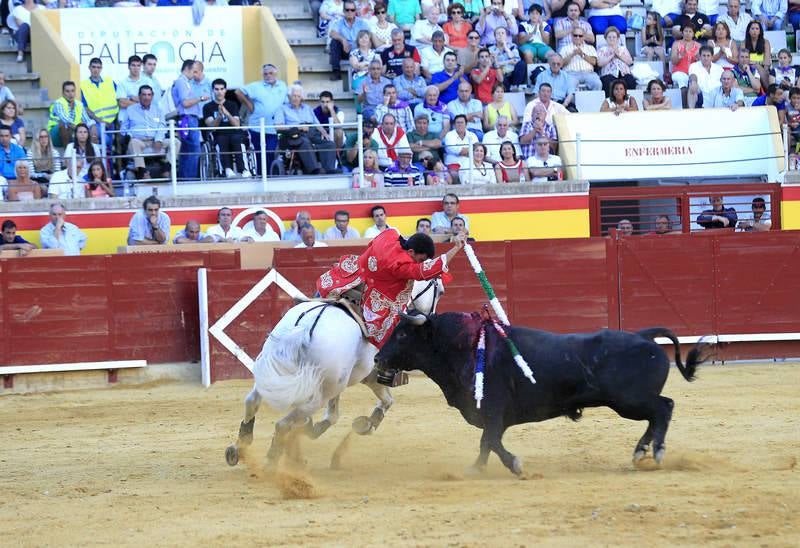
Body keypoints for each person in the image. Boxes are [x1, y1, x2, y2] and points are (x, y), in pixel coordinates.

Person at [316, 226, 467, 348]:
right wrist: (456, 248)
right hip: (375, 292)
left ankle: (314, 300)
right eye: (419, 259)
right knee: (390, 332)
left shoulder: (390, 233)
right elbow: (423, 272)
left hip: (352, 272)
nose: (419, 263)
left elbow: (374, 243)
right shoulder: (400, 266)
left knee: (327, 284)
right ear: (410, 251)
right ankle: (387, 370)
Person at [236, 64, 287, 176]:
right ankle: (260, 177)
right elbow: (238, 92)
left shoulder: (282, 86)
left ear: (276, 73)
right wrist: (249, 105)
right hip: (257, 127)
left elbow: (286, 103)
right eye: (265, 74)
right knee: (259, 154)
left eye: (270, 73)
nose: (268, 76)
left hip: (274, 127)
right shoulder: (256, 86)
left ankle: (268, 176)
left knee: (270, 152)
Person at [274, 83, 337, 175]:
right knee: (305, 142)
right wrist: (299, 127)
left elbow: (316, 123)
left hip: (311, 133)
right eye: (294, 96)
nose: (296, 98)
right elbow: (278, 127)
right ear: (289, 96)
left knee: (329, 144)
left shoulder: (307, 108)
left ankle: (329, 169)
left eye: (298, 96)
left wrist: (324, 132)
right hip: (294, 135)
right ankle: (314, 170)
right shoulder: (282, 109)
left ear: (302, 98)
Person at [122, 85, 174, 180]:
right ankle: (143, 172)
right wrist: (130, 134)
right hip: (139, 141)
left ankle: (166, 168)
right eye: (144, 95)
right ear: (139, 96)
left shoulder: (158, 110)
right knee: (133, 142)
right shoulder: (131, 109)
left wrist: (158, 140)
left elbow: (162, 126)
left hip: (155, 140)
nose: (146, 97)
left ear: (152, 96)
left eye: (149, 95)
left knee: (175, 142)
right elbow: (124, 129)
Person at [203, 78, 248, 179]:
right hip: (218, 134)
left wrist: (226, 113)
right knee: (222, 140)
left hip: (234, 133)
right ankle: (227, 168)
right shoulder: (207, 107)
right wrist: (219, 116)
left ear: (225, 90)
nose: (219, 92)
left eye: (221, 89)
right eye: (216, 89)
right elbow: (211, 127)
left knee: (236, 139)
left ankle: (243, 169)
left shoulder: (232, 105)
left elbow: (237, 124)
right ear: (213, 90)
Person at [173, 59, 209, 180]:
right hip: (188, 118)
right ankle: (190, 179)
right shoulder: (181, 82)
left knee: (187, 149)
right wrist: (201, 98)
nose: (195, 75)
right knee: (194, 149)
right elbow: (185, 103)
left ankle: (185, 178)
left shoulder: (185, 82)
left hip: (189, 118)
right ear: (187, 69)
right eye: (193, 71)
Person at [330, 0, 372, 81]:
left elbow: (369, 36)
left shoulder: (361, 23)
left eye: (352, 10)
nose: (350, 12)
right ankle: (336, 71)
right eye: (347, 10)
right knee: (334, 42)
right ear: (343, 11)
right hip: (346, 50)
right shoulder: (339, 22)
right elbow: (332, 33)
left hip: (359, 51)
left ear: (355, 11)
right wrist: (343, 40)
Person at [48, 81, 94, 148]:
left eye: (72, 91)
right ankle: (68, 154)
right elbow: (65, 120)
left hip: (73, 131)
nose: (70, 94)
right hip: (55, 135)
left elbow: (87, 120)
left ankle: (90, 155)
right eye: (67, 91)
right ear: (63, 93)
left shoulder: (79, 104)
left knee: (91, 130)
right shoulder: (58, 103)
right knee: (64, 125)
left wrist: (93, 126)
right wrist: (79, 130)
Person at [560, 24, 602, 91]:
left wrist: (582, 55)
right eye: (575, 35)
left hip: (588, 73)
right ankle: (573, 102)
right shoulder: (565, 48)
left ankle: (594, 101)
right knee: (569, 86)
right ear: (571, 36)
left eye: (580, 36)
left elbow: (594, 62)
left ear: (584, 37)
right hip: (571, 74)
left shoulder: (590, 48)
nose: (578, 37)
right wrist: (572, 54)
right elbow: (561, 64)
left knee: (597, 83)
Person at [116, 55, 154, 127]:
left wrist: (131, 99)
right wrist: (141, 100)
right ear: (128, 66)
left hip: (144, 118)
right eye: (133, 65)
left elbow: (150, 100)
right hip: (125, 119)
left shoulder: (148, 81)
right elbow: (122, 103)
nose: (136, 68)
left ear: (141, 67)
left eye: (138, 66)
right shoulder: (122, 83)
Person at [80, 57, 119, 128]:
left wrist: (117, 119)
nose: (96, 70)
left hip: (114, 122)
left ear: (101, 68)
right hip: (96, 123)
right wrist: (100, 121)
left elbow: (119, 98)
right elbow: (85, 108)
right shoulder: (83, 85)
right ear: (89, 68)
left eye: (98, 67)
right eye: (93, 67)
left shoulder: (109, 81)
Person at [597, 26, 636, 92]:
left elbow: (630, 62)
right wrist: (611, 56)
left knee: (630, 80)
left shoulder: (623, 49)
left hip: (624, 73)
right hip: (608, 74)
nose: (612, 39)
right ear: (606, 38)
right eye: (609, 37)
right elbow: (599, 64)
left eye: (614, 37)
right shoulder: (602, 50)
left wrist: (619, 55)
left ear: (618, 38)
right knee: (608, 82)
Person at [444, 114, 479, 182]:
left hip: (469, 164)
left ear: (466, 124)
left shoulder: (472, 135)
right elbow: (455, 150)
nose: (459, 125)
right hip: (453, 163)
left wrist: (463, 151)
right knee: (455, 175)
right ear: (454, 125)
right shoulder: (449, 135)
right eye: (458, 123)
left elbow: (476, 150)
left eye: (462, 122)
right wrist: (469, 150)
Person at [670, 23, 701, 89]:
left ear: (693, 34)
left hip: (693, 73)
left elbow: (701, 61)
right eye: (686, 31)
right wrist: (680, 56)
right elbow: (673, 61)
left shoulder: (698, 46)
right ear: (682, 33)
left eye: (690, 31)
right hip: (679, 72)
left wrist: (698, 58)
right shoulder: (676, 44)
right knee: (683, 80)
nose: (688, 33)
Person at [350, 29, 380, 95]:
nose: (363, 40)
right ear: (358, 40)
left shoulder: (375, 52)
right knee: (364, 87)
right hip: (359, 78)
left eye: (366, 38)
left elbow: (379, 66)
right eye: (361, 37)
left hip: (374, 77)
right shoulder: (354, 53)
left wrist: (364, 65)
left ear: (369, 40)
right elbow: (356, 66)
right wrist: (371, 66)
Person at [743, 20, 772, 87]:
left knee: (761, 70)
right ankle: (769, 90)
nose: (754, 31)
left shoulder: (766, 42)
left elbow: (767, 60)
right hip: (748, 67)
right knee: (756, 66)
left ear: (760, 31)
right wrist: (756, 64)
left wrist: (764, 70)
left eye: (757, 29)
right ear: (749, 31)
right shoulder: (743, 43)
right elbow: (744, 59)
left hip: (763, 67)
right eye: (752, 29)